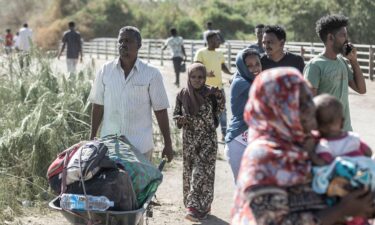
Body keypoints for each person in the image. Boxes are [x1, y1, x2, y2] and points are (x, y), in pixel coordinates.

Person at [231, 67, 375, 225]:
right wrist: (342, 210)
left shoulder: (312, 141)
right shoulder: (263, 157)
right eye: (300, 102)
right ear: (278, 108)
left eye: (309, 98)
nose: (311, 107)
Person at [88, 26, 174, 163]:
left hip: (140, 148)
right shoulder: (105, 71)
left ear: (139, 45)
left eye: (128, 41)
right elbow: (98, 105)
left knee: (139, 185)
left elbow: (161, 110)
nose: (123, 44)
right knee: (112, 185)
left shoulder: (151, 73)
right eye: (120, 41)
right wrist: (92, 137)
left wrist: (168, 144)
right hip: (110, 147)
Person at [173, 63, 225, 222]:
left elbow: (220, 110)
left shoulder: (211, 93)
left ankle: (193, 208)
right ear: (188, 77)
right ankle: (202, 207)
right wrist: (180, 120)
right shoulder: (182, 94)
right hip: (190, 140)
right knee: (191, 172)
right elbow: (176, 115)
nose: (197, 80)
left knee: (202, 172)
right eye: (193, 77)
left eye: (200, 77)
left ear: (205, 78)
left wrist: (219, 96)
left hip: (208, 139)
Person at [304, 14, 366, 132]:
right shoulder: (315, 66)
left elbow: (361, 89)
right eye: (343, 35)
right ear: (331, 37)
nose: (347, 40)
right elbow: (308, 105)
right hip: (327, 135)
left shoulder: (342, 61)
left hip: (346, 131)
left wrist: (354, 61)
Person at [225, 48, 261, 182]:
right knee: (243, 187)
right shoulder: (242, 83)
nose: (255, 68)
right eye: (249, 66)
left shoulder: (247, 79)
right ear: (241, 67)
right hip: (238, 140)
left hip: (253, 139)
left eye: (257, 64)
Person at [194, 31, 232, 141]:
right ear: (210, 41)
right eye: (217, 39)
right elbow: (196, 68)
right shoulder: (201, 52)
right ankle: (207, 134)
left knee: (222, 111)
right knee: (206, 112)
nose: (219, 41)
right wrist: (205, 73)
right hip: (204, 89)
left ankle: (224, 134)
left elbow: (223, 66)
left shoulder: (219, 53)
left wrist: (230, 73)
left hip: (219, 88)